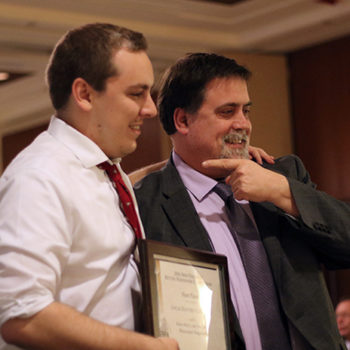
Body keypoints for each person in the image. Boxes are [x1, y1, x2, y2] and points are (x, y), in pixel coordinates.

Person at [134, 52, 350, 350]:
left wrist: (282, 192)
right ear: (182, 120)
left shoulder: (282, 175)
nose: (243, 124)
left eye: (246, 111)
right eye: (227, 112)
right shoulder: (145, 204)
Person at [0, 23, 179, 350]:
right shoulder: (38, 178)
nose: (151, 108)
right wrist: (142, 347)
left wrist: (187, 166)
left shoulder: (103, 170)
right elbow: (21, 313)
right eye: (136, 93)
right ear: (84, 94)